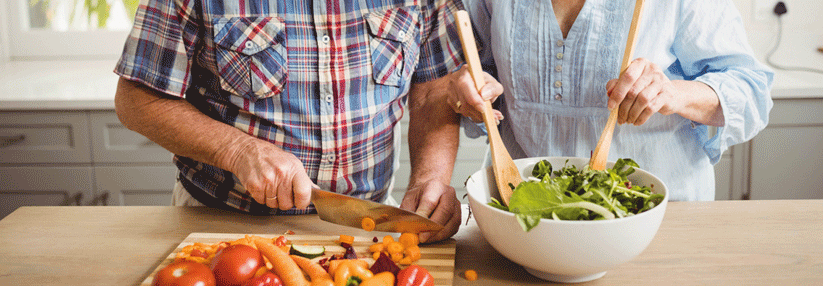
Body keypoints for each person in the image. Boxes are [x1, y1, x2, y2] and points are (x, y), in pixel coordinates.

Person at [113, 0, 502, 243]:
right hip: (222, 220)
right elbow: (136, 99)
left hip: (364, 223)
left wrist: (429, 180)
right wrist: (239, 150)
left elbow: (433, 87)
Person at [433, 0, 773, 201]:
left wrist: (673, 94)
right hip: (525, 212)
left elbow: (751, 91)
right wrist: (467, 89)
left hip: (656, 212)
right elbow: (478, 75)